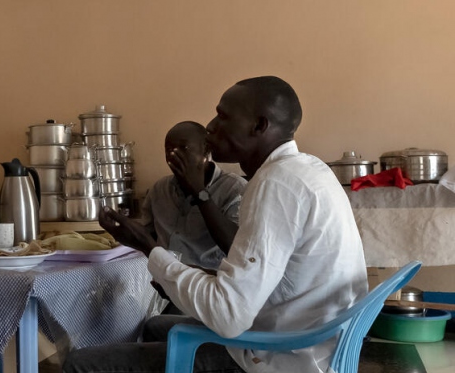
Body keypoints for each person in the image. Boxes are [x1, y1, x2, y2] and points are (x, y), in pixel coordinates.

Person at [63, 76, 367, 373]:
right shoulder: (308, 169)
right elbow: (266, 275)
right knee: (156, 325)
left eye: (222, 117)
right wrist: (173, 270)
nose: (210, 127)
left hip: (280, 355)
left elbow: (228, 315)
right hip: (308, 338)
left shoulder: (274, 184)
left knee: (80, 362)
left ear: (259, 126)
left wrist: (149, 247)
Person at [138, 121, 246, 272]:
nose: (174, 155)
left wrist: (199, 192)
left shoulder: (234, 189)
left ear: (206, 150)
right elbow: (146, 234)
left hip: (207, 285)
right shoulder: (159, 188)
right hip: (163, 280)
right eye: (168, 149)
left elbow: (237, 249)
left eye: (184, 148)